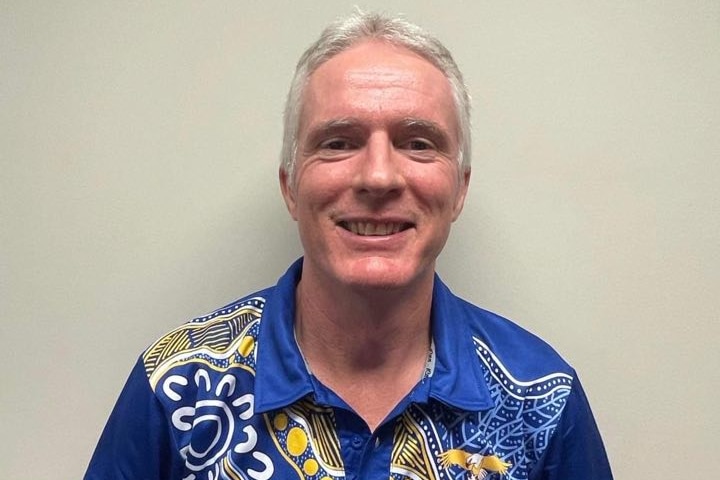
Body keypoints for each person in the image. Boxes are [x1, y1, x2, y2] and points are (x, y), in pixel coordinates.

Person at [84, 11, 613, 480]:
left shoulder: (541, 399)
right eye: (338, 142)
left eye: (418, 143)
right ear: (291, 186)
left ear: (459, 189)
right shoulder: (177, 387)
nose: (379, 176)